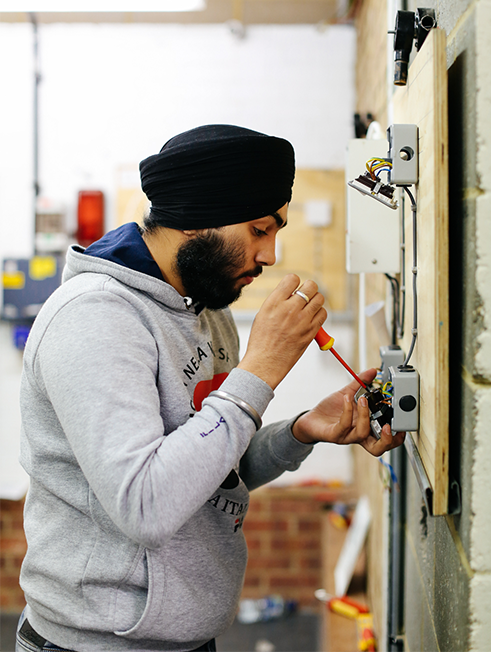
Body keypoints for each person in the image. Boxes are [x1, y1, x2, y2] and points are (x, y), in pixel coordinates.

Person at [17, 125, 404, 652]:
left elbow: (214, 470)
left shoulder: (204, 309)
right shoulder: (96, 317)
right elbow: (146, 505)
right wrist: (261, 369)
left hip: (184, 637)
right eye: (259, 230)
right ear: (199, 218)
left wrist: (300, 431)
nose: (269, 255)